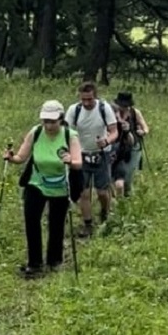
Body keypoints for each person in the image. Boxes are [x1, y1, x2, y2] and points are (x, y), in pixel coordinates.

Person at [4, 100, 83, 278]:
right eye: (45, 121)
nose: (48, 125)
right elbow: (21, 157)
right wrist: (10, 158)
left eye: (52, 121)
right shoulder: (36, 132)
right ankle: (35, 263)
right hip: (36, 183)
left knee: (56, 224)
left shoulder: (70, 135)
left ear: (61, 120)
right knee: (31, 222)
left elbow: (78, 163)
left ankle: (54, 261)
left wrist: (70, 161)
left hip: (61, 186)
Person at [65, 80, 118, 238]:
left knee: (102, 191)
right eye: (83, 99)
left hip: (102, 154)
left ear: (95, 96)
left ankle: (105, 212)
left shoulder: (104, 108)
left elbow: (114, 131)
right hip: (81, 154)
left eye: (89, 99)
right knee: (84, 192)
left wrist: (106, 141)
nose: (87, 103)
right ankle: (88, 223)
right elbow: (65, 130)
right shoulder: (74, 110)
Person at [111, 90, 149, 197]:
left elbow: (145, 127)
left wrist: (143, 131)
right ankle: (117, 197)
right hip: (116, 147)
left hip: (133, 147)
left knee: (128, 175)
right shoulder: (112, 113)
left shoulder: (134, 112)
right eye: (122, 105)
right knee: (114, 175)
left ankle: (127, 194)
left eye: (126, 105)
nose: (124, 107)